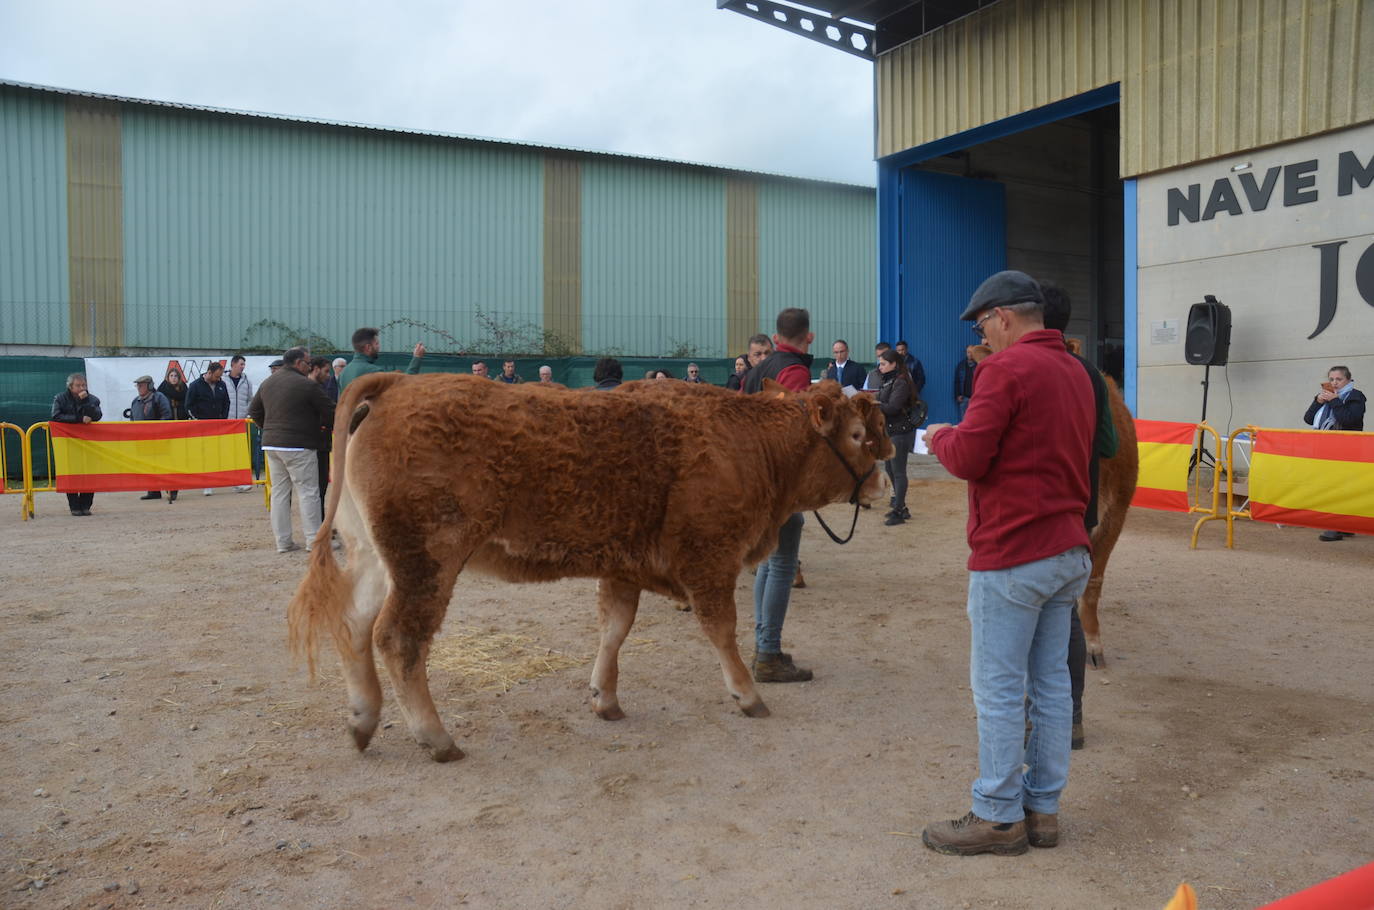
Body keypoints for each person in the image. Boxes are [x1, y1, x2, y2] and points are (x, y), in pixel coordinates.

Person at [921, 270, 1095, 856]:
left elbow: (970, 456)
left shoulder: (1005, 368)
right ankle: (1042, 810)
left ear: (1003, 317)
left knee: (998, 689)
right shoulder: (1076, 370)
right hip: (1068, 547)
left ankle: (997, 814)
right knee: (1050, 685)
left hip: (1014, 551)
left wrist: (942, 434)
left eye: (981, 324)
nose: (981, 335)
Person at [1042, 284, 1120, 750]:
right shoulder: (1091, 376)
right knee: (1062, 614)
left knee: (1016, 627)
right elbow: (1110, 445)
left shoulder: (1007, 372)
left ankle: (1027, 726)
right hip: (1075, 519)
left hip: (1024, 527)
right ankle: (1070, 719)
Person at [740, 307, 816, 683]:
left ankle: (763, 645)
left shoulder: (755, 371)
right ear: (809, 336)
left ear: (776, 335)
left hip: (755, 478)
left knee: (769, 564)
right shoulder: (794, 371)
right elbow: (794, 433)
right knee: (782, 564)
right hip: (779, 483)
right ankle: (768, 653)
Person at [247, 347, 336, 554]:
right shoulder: (307, 386)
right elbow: (331, 412)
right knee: (309, 492)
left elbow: (253, 411)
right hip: (299, 445)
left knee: (279, 493)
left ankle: (283, 542)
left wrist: (268, 428)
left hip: (271, 444)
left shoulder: (268, 382)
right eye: (307, 363)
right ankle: (314, 541)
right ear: (298, 363)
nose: (309, 366)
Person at [1303, 365, 1366, 542]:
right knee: (1330, 485)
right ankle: (1343, 525)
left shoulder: (1356, 396)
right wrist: (1318, 402)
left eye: (1338, 379)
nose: (1334, 383)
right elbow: (1308, 419)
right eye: (1331, 379)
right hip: (1325, 447)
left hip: (1347, 450)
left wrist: (1334, 400)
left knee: (1338, 487)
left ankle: (1335, 526)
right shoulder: (1327, 397)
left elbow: (1349, 419)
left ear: (1348, 380)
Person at [874, 350, 919, 526]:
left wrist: (875, 404)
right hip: (891, 431)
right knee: (891, 469)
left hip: (900, 432)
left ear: (894, 364)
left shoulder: (901, 381)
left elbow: (893, 407)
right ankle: (901, 507)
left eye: (884, 363)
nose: (880, 367)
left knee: (898, 471)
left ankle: (899, 510)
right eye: (880, 363)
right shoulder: (890, 380)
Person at [50, 373, 102, 516]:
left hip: (89, 444)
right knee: (71, 473)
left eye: (83, 385)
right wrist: (78, 418)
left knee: (89, 473)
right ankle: (74, 506)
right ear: (70, 387)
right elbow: (56, 416)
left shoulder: (93, 399)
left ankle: (86, 505)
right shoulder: (60, 398)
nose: (81, 388)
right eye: (78, 385)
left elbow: (97, 416)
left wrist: (86, 403)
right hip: (68, 443)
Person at [185, 361, 230, 495]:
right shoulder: (195, 386)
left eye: (220, 376)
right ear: (209, 373)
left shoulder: (222, 384)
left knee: (222, 454)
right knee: (205, 455)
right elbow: (188, 406)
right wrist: (197, 421)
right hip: (202, 427)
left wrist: (223, 419)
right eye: (216, 376)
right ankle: (207, 483)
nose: (219, 379)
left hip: (219, 426)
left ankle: (234, 482)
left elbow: (227, 402)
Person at [130, 375, 175, 502]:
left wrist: (154, 430)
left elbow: (167, 416)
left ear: (149, 385)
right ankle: (153, 490)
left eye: (142, 385)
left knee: (163, 464)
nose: (139, 387)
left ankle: (171, 489)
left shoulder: (159, 398)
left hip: (158, 439)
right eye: (137, 385)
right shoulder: (135, 401)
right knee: (148, 465)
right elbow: (132, 420)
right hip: (143, 440)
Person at [338, 327, 425, 392]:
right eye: (377, 343)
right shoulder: (374, 371)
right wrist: (417, 358)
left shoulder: (343, 374)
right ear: (368, 347)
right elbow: (404, 385)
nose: (379, 347)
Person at [307, 356, 335, 522]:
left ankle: (319, 524)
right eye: (325, 371)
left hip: (319, 442)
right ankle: (319, 527)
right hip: (315, 444)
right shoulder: (313, 388)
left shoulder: (321, 387)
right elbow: (330, 412)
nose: (328, 374)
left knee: (318, 488)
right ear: (316, 369)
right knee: (317, 488)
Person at [225, 354, 255, 492]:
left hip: (241, 422)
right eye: (241, 364)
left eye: (244, 364)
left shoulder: (247, 381)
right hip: (226, 423)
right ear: (233, 364)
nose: (243, 367)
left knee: (241, 453)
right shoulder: (223, 380)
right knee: (226, 453)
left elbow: (250, 399)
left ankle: (239, 481)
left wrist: (246, 413)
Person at [954, 345, 978, 420]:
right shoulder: (961, 365)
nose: (970, 354)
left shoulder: (979, 365)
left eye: (971, 352)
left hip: (975, 398)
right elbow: (957, 381)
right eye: (968, 352)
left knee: (975, 419)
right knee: (964, 421)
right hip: (964, 398)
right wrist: (957, 395)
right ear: (966, 353)